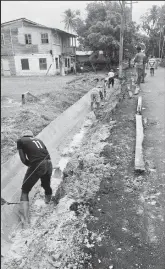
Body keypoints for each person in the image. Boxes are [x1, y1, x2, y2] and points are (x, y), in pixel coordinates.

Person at [17, 130, 53, 227]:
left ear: (23, 135)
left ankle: (25, 221)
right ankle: (49, 203)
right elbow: (46, 154)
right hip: (49, 163)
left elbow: (23, 159)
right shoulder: (38, 140)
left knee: (24, 190)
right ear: (32, 135)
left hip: (38, 164)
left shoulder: (20, 140)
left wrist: (31, 166)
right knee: (46, 184)